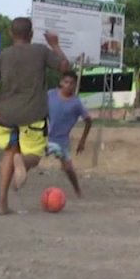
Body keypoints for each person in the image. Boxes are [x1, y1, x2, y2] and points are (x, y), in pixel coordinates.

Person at [0, 18, 70, 215]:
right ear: (31, 34)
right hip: (33, 114)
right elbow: (64, 66)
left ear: (11, 34)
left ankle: (1, 204)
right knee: (34, 156)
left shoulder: (3, 55)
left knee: (9, 153)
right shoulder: (40, 51)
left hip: (7, 115)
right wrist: (54, 44)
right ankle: (24, 162)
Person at [46, 70, 93, 198]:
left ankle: (78, 190)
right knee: (31, 158)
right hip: (45, 138)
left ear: (75, 85)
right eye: (66, 82)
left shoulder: (76, 103)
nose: (68, 85)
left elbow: (88, 121)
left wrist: (82, 141)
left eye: (72, 83)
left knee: (68, 168)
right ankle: (17, 179)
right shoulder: (51, 95)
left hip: (62, 141)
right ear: (61, 82)